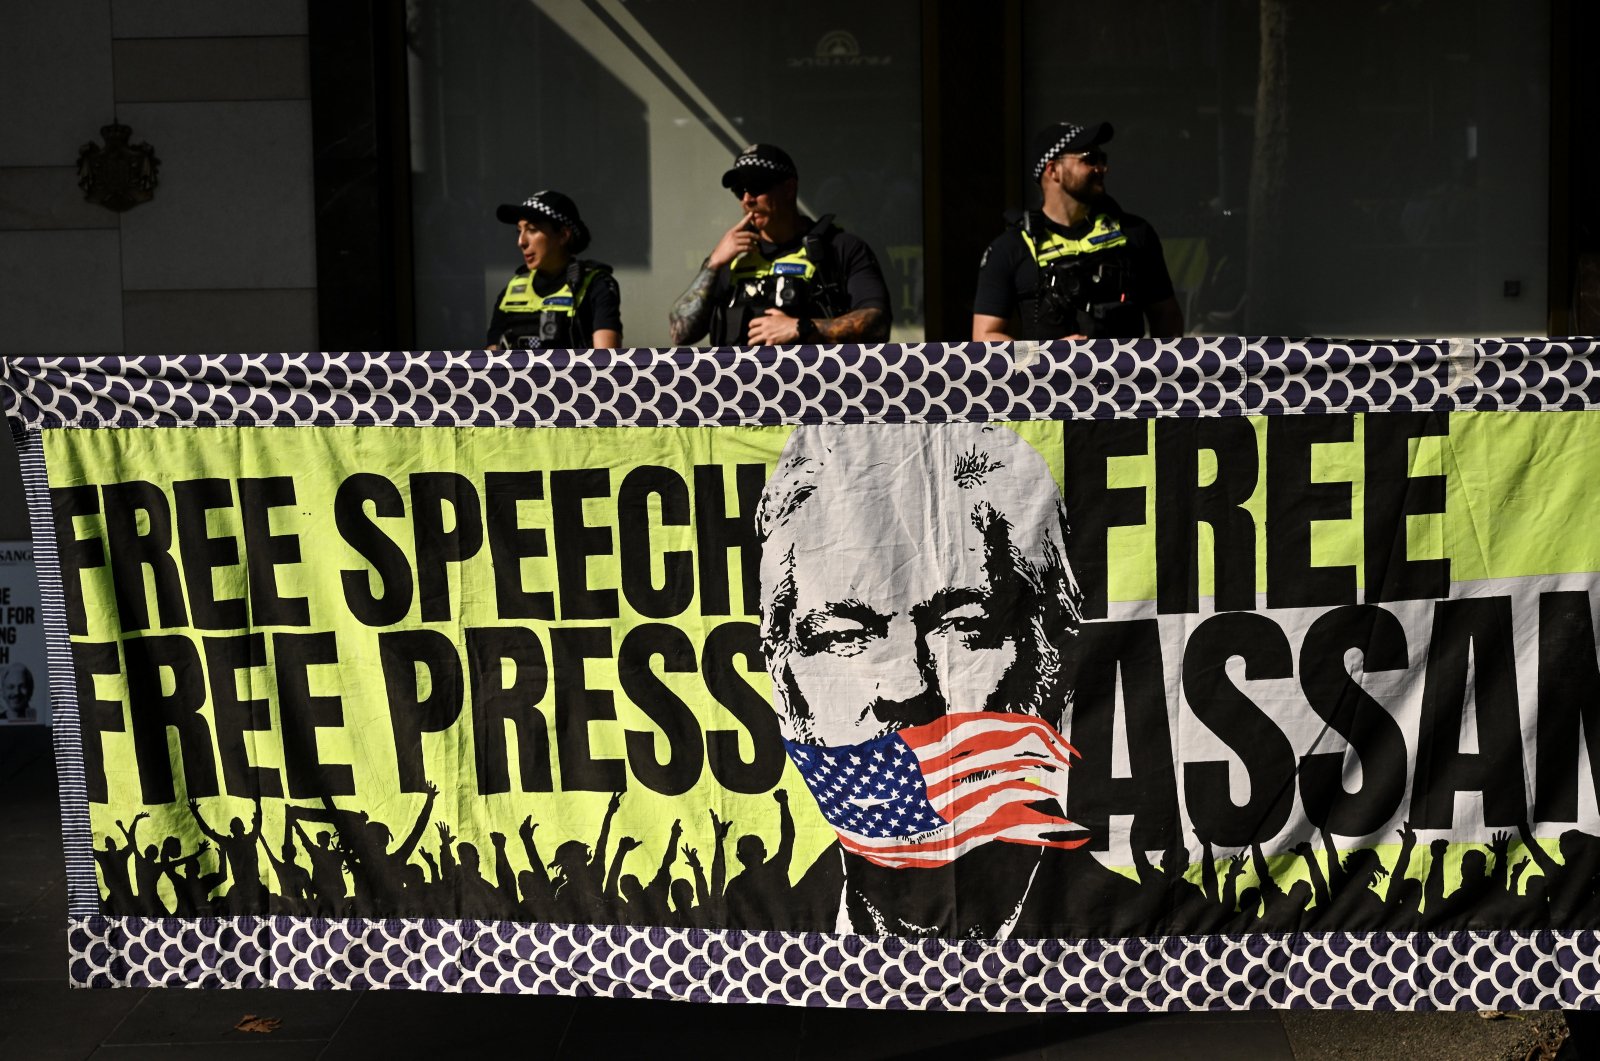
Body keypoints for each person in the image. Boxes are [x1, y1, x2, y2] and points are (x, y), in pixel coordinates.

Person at [755, 421, 1143, 939]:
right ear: (781, 673)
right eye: (846, 635)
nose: (907, 689)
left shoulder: (1165, 937)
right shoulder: (749, 931)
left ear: (1052, 648)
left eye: (961, 625)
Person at [972, 121, 1183, 342]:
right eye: (1090, 159)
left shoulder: (1135, 233)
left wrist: (1151, 372)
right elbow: (985, 337)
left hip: (1124, 375)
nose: (1102, 168)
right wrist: (1046, 356)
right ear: (1053, 170)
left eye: (1103, 160)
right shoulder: (1010, 247)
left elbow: (1167, 316)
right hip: (1049, 377)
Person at [667, 143, 892, 348]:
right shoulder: (730, 256)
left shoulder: (839, 248)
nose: (747, 199)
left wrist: (801, 328)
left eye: (756, 186)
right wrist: (713, 264)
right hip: (737, 389)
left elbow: (877, 325)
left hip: (813, 387)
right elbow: (680, 334)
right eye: (739, 190)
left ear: (789, 189)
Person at [486, 190, 621, 351]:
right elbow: (491, 366)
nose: (521, 241)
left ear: (563, 235)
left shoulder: (597, 285)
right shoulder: (511, 290)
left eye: (532, 229)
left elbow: (607, 366)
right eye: (519, 231)